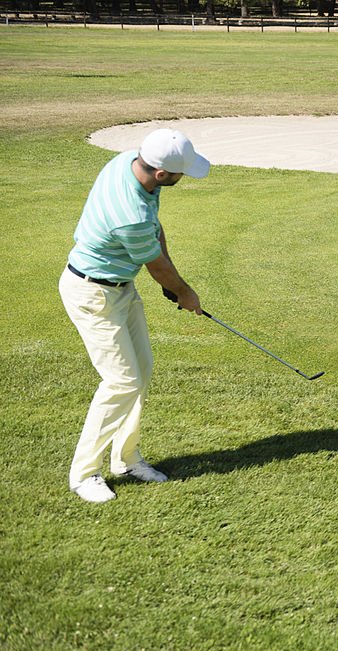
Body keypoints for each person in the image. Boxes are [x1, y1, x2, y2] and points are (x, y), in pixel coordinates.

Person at [59, 129, 210, 503]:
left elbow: (155, 232)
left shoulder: (130, 161)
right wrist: (183, 291)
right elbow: (155, 263)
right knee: (122, 381)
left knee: (140, 371)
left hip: (120, 287)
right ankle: (84, 474)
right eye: (180, 174)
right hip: (92, 293)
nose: (182, 178)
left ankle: (126, 459)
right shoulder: (130, 211)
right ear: (161, 173)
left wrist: (172, 281)